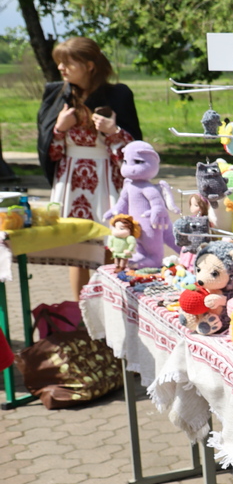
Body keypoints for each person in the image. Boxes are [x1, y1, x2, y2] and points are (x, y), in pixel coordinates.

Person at [36, 37, 141, 300]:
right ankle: (80, 313)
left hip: (106, 183)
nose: (60, 68)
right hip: (71, 183)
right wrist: (59, 128)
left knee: (111, 247)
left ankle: (111, 311)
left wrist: (113, 131)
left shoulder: (118, 95)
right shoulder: (57, 95)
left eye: (67, 62)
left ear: (90, 65)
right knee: (78, 253)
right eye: (59, 62)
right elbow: (50, 152)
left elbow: (134, 153)